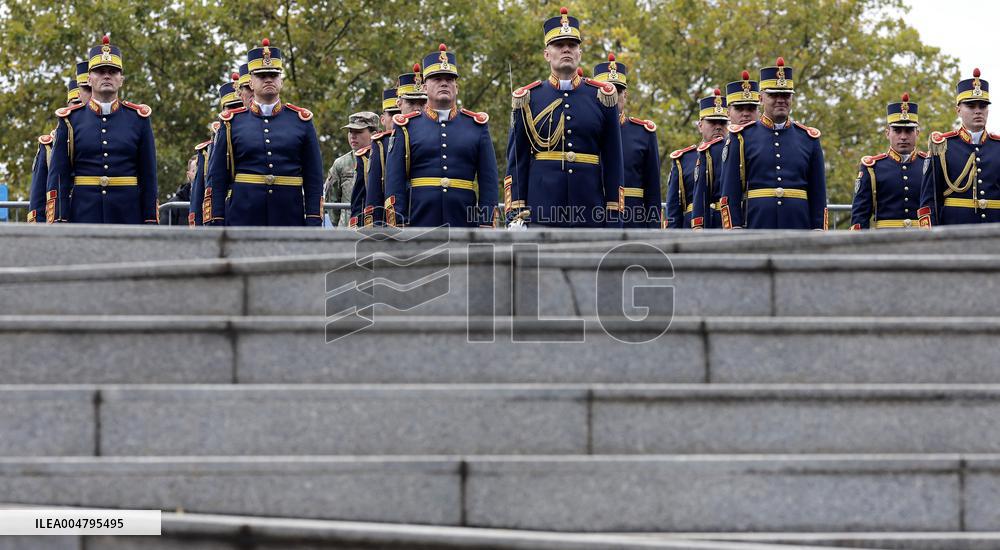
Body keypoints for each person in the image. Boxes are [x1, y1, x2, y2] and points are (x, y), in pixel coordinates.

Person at [505, 7, 624, 227]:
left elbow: (613, 160)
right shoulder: (528, 98)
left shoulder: (602, 96)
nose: (566, 50)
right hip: (541, 210)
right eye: (559, 45)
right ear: (547, 54)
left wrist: (614, 213)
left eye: (572, 45)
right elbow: (517, 161)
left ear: (580, 53)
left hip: (590, 211)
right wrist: (516, 212)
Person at [208, 38, 324, 226]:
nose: (268, 79)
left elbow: (314, 178)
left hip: (289, 217)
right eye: (262, 76)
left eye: (273, 74)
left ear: (281, 81)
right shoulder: (232, 122)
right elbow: (218, 178)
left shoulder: (301, 121)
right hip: (243, 217)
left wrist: (313, 220)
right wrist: (217, 220)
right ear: (251, 83)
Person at [383, 44, 498, 227]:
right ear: (425, 87)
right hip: (419, 220)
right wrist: (397, 223)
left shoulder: (476, 126)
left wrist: (486, 223)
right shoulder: (406, 126)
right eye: (437, 79)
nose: (444, 83)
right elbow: (395, 181)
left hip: (464, 220)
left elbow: (489, 182)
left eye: (449, 79)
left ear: (456, 87)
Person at [46, 36, 158, 224]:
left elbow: (148, 177)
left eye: (113, 71)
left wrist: (150, 219)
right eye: (100, 71)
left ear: (121, 79)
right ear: (89, 79)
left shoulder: (138, 119)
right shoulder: (70, 120)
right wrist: (59, 219)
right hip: (83, 214)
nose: (107, 76)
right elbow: (59, 177)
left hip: (127, 215)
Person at [719, 57, 826, 230]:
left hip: (799, 226)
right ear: (761, 98)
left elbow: (818, 193)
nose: (780, 99)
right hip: (757, 224)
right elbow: (730, 191)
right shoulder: (742, 137)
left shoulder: (808, 138)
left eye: (785, 95)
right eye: (774, 95)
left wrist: (819, 228)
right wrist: (734, 228)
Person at [920, 68, 1000, 225]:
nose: (978, 111)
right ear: (958, 110)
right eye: (971, 106)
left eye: (982, 106)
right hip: (955, 233)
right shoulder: (942, 146)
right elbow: (930, 200)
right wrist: (933, 239)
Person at [593, 53, 660, 228]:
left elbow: (652, 191)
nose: (613, 96)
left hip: (633, 221)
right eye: (607, 90)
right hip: (592, 218)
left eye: (618, 91)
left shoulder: (644, 133)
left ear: (626, 95)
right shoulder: (585, 131)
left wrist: (653, 232)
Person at [692, 71, 760, 229]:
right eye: (739, 109)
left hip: (760, 218)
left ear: (759, 110)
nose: (745, 114)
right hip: (723, 223)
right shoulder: (713, 151)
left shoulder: (774, 141)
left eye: (751, 108)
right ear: (729, 113)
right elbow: (701, 197)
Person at [364, 66, 429, 226]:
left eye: (422, 103)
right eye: (411, 102)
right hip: (400, 221)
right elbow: (374, 193)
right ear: (399, 104)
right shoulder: (382, 144)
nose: (417, 108)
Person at [850, 93, 926, 229]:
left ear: (917, 133)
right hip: (886, 240)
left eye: (909, 131)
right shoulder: (872, 168)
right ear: (887, 133)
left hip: (922, 241)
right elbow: (860, 214)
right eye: (897, 131)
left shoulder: (929, 164)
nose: (903, 136)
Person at [668, 89, 727, 228]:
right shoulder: (684, 159)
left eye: (723, 122)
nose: (718, 127)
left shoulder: (737, 155)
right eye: (712, 122)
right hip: (691, 231)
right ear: (700, 126)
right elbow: (673, 208)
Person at [190, 73, 242, 226]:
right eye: (231, 108)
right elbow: (199, 197)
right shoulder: (206, 151)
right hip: (221, 219)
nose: (234, 112)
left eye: (239, 107)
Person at [325, 111, 378, 227]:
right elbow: (331, 200)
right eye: (350, 131)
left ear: (374, 134)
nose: (353, 136)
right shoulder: (341, 163)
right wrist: (342, 224)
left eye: (358, 132)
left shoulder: (384, 160)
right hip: (348, 229)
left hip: (376, 228)